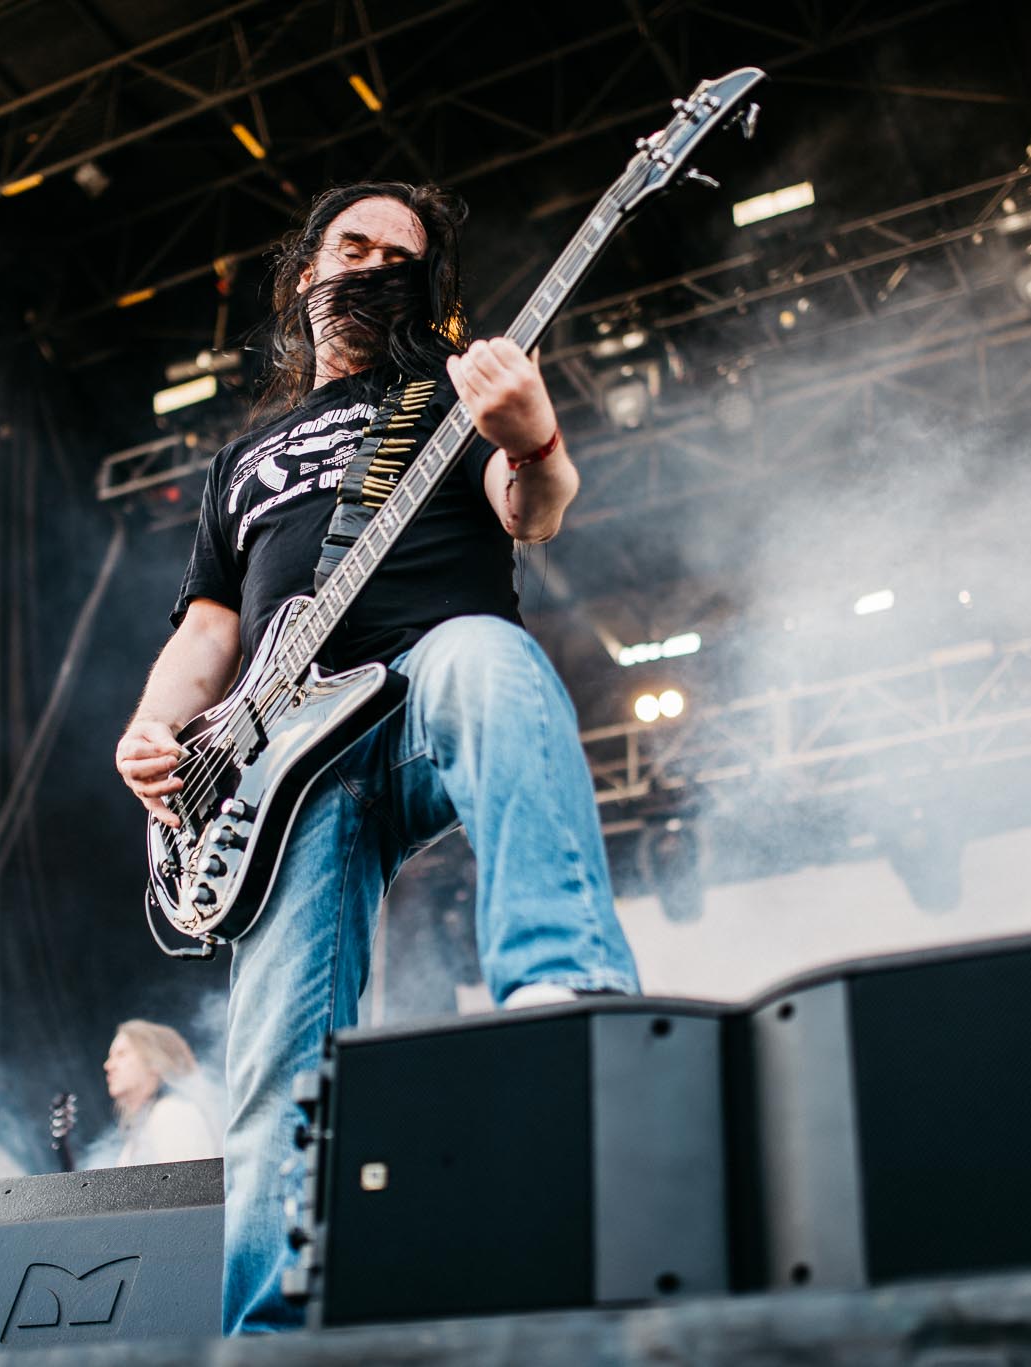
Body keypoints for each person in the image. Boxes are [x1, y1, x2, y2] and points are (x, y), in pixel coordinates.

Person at [113, 181, 640, 1334]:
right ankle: (263, 1331)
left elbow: (534, 506)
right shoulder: (240, 457)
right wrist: (151, 732)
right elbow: (210, 630)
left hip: (414, 690)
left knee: (484, 658)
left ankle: (560, 992)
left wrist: (531, 432)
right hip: (275, 759)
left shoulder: (441, 393)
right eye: (351, 245)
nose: (369, 266)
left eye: (397, 256)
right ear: (305, 272)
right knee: (269, 1064)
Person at [101, 1019, 218, 1167]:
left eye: (121, 1054)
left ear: (153, 1062)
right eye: (110, 1057)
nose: (108, 1065)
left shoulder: (173, 1113)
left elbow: (190, 1187)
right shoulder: (140, 1133)